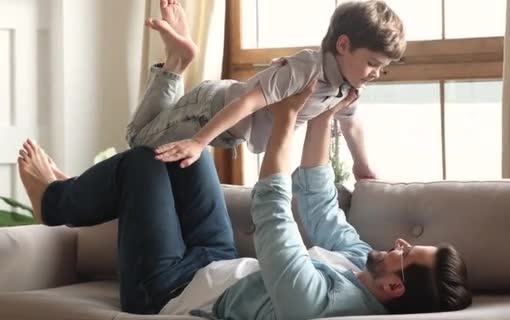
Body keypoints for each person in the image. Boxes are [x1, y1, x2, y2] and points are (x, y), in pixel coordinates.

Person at [18, 84, 472, 319]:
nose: (398, 243)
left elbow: (276, 220)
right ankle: (76, 192)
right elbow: (318, 202)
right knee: (181, 152)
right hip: (215, 260)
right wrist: (324, 116)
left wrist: (286, 121)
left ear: (395, 289)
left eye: (405, 254)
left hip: (165, 290)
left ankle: (54, 203)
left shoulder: (318, 303)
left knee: (142, 164)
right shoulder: (358, 263)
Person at [127, 0, 406, 180]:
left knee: (149, 131)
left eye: (382, 67)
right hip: (209, 109)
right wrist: (198, 142)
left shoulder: (347, 87)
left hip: (228, 134)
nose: (376, 74)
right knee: (138, 141)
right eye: (372, 63)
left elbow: (352, 125)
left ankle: (177, 59)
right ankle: (178, 62)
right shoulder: (307, 68)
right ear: (343, 46)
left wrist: (362, 166)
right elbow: (249, 102)